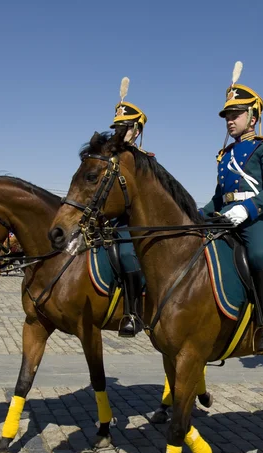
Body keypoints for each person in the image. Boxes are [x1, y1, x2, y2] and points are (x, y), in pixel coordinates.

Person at [201, 61, 263, 355]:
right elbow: (218, 196)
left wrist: (248, 208)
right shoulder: (225, 154)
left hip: (254, 219)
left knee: (259, 256)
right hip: (225, 216)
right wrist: (198, 214)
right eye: (227, 115)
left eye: (236, 114)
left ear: (253, 116)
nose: (229, 120)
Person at [109, 77, 147, 337]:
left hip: (131, 221)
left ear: (137, 131)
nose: (119, 133)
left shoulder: (143, 160)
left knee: (125, 255)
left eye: (125, 128)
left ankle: (133, 312)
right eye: (117, 129)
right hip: (107, 219)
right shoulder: (108, 158)